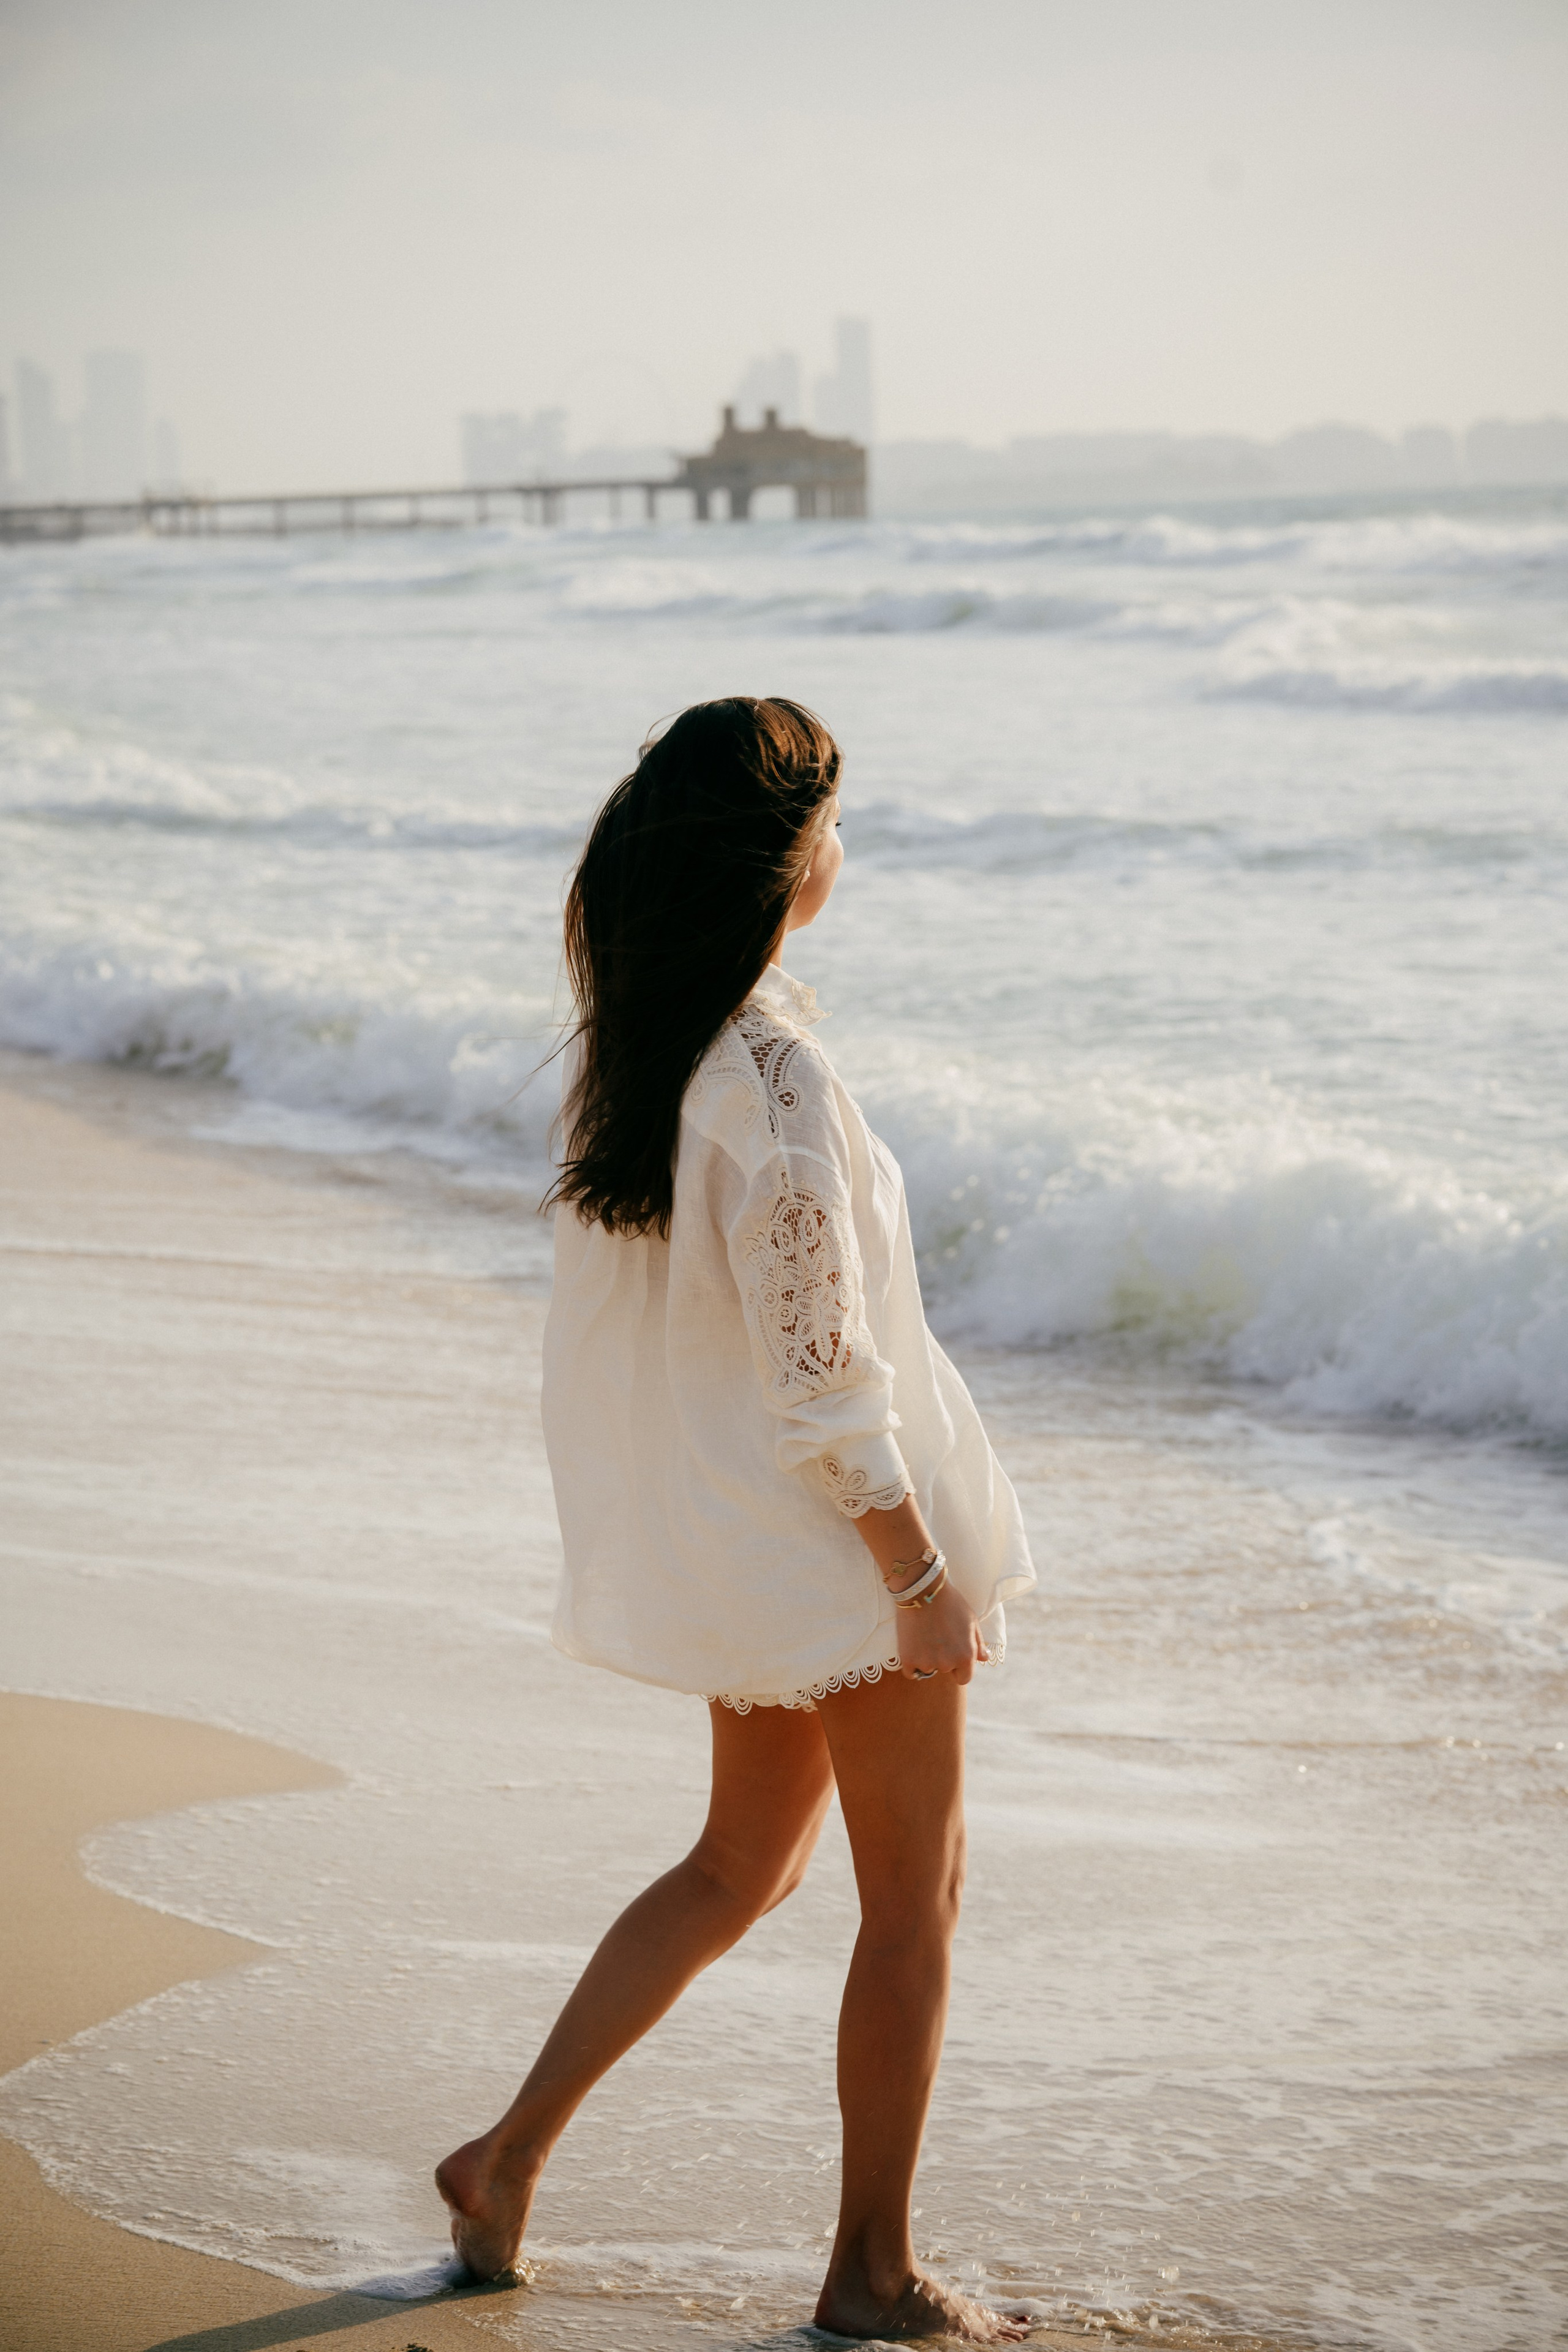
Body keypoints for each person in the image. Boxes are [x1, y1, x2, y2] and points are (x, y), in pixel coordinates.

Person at [436, 696, 1036, 2343]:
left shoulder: (653, 1051)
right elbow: (823, 1376)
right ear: (790, 864)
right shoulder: (769, 1081)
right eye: (835, 826)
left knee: (740, 1867)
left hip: (747, 1547)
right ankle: (872, 2272)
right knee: (912, 1903)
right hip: (836, 1554)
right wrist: (916, 1574)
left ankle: (503, 2157)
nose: (846, 851)